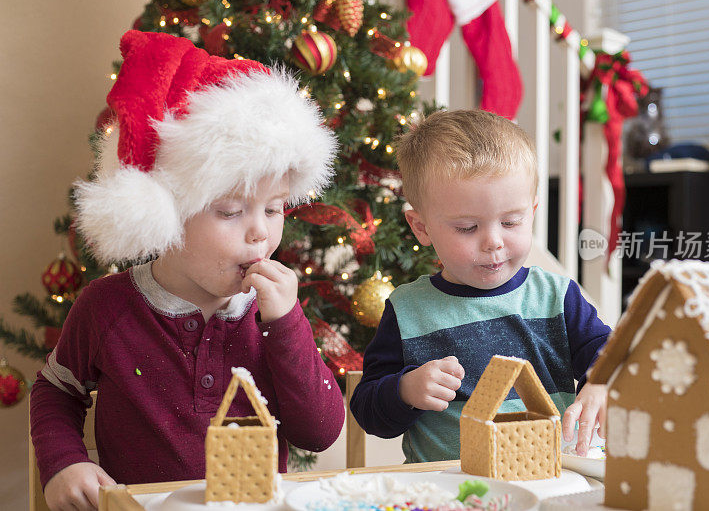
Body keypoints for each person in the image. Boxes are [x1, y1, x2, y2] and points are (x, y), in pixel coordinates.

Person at [30, 30, 344, 511]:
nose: (260, 233)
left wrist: (287, 325)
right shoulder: (106, 307)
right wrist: (63, 461)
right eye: (230, 211)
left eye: (275, 209)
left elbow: (319, 433)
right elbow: (56, 389)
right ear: (168, 212)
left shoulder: (275, 317)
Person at [350, 110, 610, 465]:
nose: (493, 242)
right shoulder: (408, 309)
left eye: (510, 222)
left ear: (532, 213)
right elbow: (368, 411)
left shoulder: (556, 297)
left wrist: (602, 381)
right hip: (447, 494)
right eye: (467, 227)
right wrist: (406, 390)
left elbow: (610, 353)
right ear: (421, 227)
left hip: (548, 483)